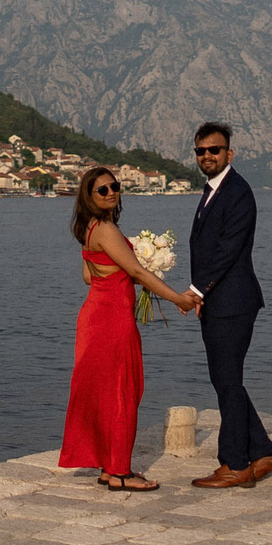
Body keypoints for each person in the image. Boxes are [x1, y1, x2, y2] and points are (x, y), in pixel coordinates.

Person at [58, 166, 198, 491]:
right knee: (124, 390)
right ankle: (121, 472)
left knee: (105, 394)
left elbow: (88, 277)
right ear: (89, 197)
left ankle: (109, 467)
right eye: (102, 190)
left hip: (94, 317)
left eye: (114, 187)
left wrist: (116, 276)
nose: (111, 193)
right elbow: (136, 271)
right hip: (112, 321)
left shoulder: (90, 228)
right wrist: (178, 298)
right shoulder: (105, 229)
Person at [181, 121, 272, 489]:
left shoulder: (238, 191)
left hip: (234, 302)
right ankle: (265, 453)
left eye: (214, 149)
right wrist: (203, 296)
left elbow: (228, 250)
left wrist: (196, 290)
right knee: (226, 379)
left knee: (226, 380)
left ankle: (236, 464)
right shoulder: (213, 190)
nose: (207, 156)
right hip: (218, 300)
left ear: (229, 153)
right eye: (201, 151)